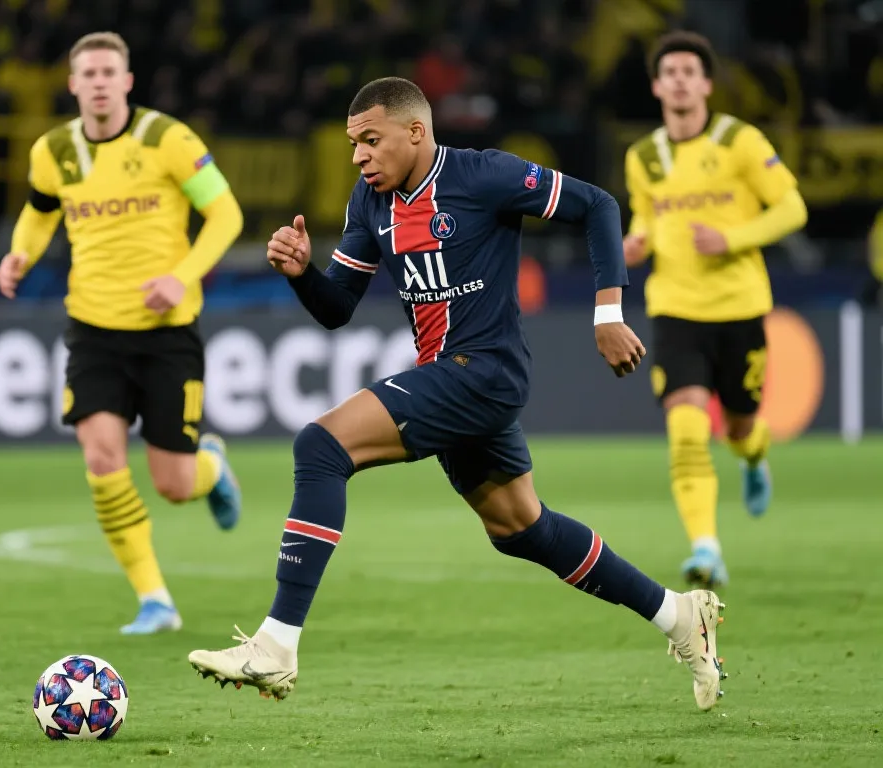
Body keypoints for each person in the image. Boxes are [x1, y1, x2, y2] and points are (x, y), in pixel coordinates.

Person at [187, 77, 727, 711]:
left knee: (321, 447)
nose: (358, 156)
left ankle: (277, 643)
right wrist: (303, 273)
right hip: (453, 377)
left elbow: (599, 205)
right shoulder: (370, 202)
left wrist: (608, 313)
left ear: (416, 132)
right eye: (354, 143)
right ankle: (678, 614)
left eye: (370, 140)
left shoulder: (484, 175)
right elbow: (337, 309)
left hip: (486, 370)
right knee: (520, 527)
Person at [0, 32, 244, 635]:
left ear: (127, 81)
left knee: (174, 484)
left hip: (166, 331)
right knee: (101, 456)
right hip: (93, 329)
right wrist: (21, 253)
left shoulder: (167, 139)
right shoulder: (53, 150)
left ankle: (211, 466)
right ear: (73, 84)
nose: (100, 82)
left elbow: (226, 214)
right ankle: (155, 600)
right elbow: (39, 212)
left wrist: (181, 277)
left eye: (110, 72)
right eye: (89, 73)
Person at [622, 32, 808, 588]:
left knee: (739, 426)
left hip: (740, 307)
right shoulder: (642, 157)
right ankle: (706, 548)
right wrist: (636, 242)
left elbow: (792, 208)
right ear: (657, 87)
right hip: (676, 308)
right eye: (670, 72)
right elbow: (647, 216)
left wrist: (732, 238)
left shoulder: (741, 142)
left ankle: (753, 455)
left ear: (706, 84)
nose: (679, 80)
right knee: (685, 424)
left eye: (689, 72)